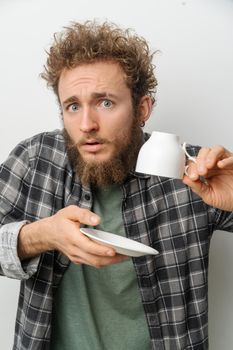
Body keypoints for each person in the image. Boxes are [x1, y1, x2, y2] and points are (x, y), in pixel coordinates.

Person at [0, 20, 233, 350]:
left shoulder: (193, 172)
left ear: (142, 108)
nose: (87, 125)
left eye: (105, 102)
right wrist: (41, 235)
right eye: (73, 106)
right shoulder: (35, 158)